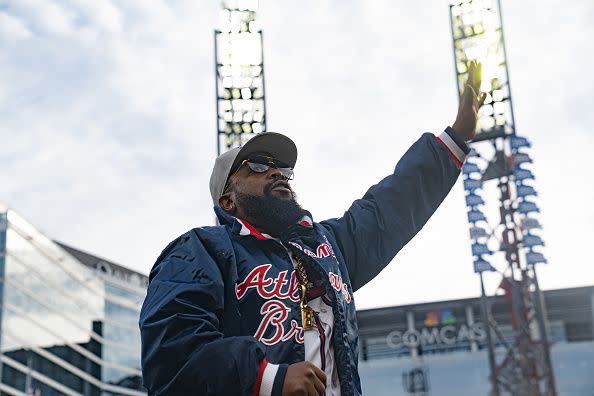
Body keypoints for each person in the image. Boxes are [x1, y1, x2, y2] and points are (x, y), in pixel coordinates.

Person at [139, 61, 486, 396]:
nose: (275, 172)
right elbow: (171, 350)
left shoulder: (328, 246)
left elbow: (392, 206)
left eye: (281, 168)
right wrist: (265, 378)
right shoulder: (202, 249)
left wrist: (457, 136)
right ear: (227, 200)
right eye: (257, 166)